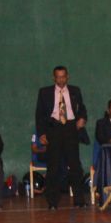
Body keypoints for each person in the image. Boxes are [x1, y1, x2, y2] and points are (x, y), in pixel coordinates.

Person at [35, 65, 87, 209]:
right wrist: (42, 134)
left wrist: (82, 119)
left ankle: (79, 200)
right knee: (54, 166)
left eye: (63, 77)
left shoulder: (75, 91)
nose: (61, 80)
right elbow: (39, 115)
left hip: (71, 128)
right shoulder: (44, 92)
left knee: (75, 166)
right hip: (54, 128)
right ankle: (52, 202)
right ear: (54, 78)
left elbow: (82, 109)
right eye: (58, 77)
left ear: (67, 77)